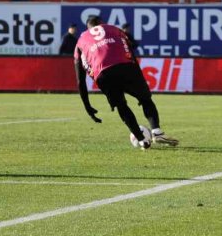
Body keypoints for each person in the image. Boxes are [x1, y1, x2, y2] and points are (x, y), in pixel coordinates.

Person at [74, 15, 179, 150]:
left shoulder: (80, 41)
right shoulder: (113, 28)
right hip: (125, 66)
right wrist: (138, 75)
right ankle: (156, 132)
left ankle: (142, 141)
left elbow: (80, 79)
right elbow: (129, 49)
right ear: (102, 23)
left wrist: (87, 106)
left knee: (122, 106)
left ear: (87, 28)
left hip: (102, 75)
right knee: (145, 99)